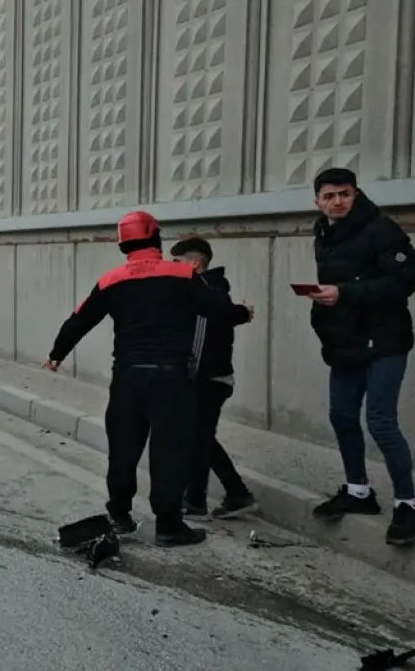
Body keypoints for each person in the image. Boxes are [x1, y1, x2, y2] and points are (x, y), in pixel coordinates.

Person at [44, 210, 236, 547]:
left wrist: (57, 354)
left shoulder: (111, 280)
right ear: (157, 238)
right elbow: (216, 309)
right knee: (170, 452)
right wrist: (238, 311)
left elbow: (80, 319)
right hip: (171, 379)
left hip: (128, 378)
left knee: (123, 450)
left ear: (123, 245)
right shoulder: (182, 274)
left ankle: (119, 515)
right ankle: (168, 525)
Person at [306, 167, 415, 546]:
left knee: (380, 421)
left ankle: (408, 505)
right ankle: (358, 492)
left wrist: (345, 292)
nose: (337, 201)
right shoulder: (323, 231)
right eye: (329, 196)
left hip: (385, 341)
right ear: (318, 201)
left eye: (344, 194)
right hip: (346, 343)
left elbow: (404, 280)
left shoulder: (382, 229)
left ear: (356, 194)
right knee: (341, 415)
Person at [169, 235, 258, 520]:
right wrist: (241, 313)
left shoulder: (205, 291)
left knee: (198, 438)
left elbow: (199, 336)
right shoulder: (211, 290)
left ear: (194, 264)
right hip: (210, 377)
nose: (173, 267)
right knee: (200, 437)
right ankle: (235, 494)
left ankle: (197, 501)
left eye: (177, 262)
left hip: (208, 378)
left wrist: (187, 375)